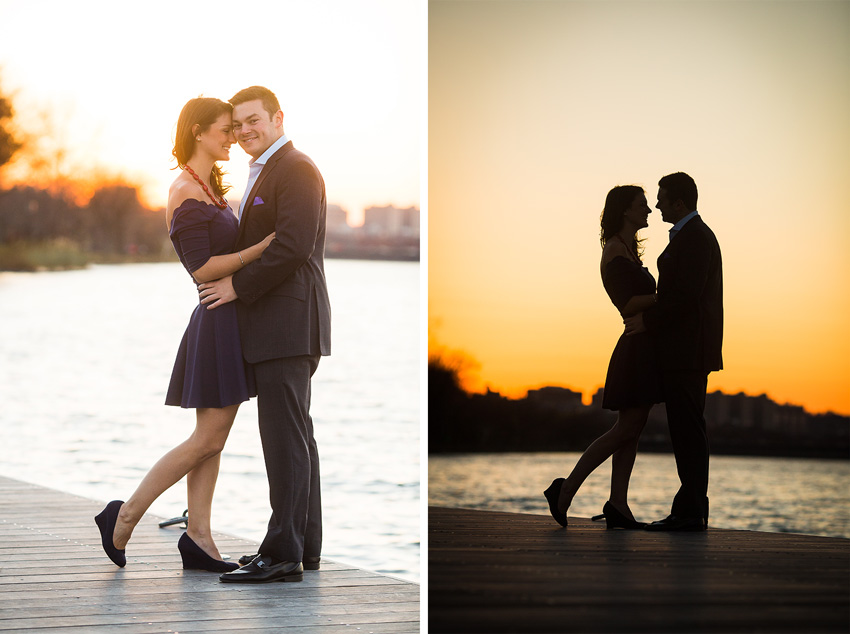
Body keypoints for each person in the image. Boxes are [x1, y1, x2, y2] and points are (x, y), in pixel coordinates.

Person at [94, 97, 274, 572]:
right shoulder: (184, 191)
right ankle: (124, 516)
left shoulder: (209, 187)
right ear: (197, 131)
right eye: (224, 129)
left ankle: (198, 536)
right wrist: (260, 248)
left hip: (226, 322)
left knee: (211, 439)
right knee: (208, 439)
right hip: (215, 322)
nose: (232, 136)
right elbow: (200, 269)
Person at [198, 86, 331, 584]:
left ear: (277, 118)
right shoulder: (267, 170)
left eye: (254, 119)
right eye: (237, 124)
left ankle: (281, 554)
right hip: (282, 324)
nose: (245, 130)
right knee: (296, 437)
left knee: (283, 439)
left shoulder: (295, 168)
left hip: (287, 322)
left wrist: (236, 285)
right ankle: (302, 549)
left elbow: (293, 247)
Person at [544, 185, 662, 529]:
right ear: (625, 210)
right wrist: (667, 297)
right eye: (642, 205)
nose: (649, 211)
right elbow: (626, 304)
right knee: (626, 429)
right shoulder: (614, 251)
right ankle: (565, 489)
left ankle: (619, 505)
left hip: (643, 348)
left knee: (632, 430)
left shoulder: (626, 251)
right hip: (635, 350)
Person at [625, 172, 723, 532]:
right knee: (687, 430)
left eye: (663, 199)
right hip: (687, 350)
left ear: (679, 202)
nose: (657, 205)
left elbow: (685, 297)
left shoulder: (695, 238)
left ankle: (690, 513)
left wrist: (648, 321)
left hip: (688, 352)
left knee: (688, 431)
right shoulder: (694, 236)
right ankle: (690, 509)